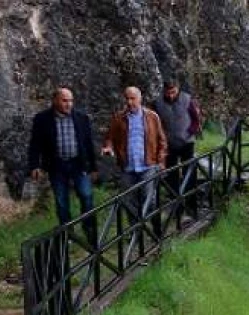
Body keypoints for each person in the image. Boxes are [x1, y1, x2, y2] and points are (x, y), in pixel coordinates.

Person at [27, 87, 98, 246]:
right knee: (61, 202)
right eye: (65, 100)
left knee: (86, 197)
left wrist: (93, 167)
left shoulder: (81, 118)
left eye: (71, 100)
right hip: (57, 166)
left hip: (79, 164)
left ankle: (90, 231)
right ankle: (68, 234)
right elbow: (35, 144)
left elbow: (88, 144)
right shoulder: (42, 119)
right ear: (55, 101)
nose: (68, 104)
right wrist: (34, 165)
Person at [102, 86, 167, 235]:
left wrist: (161, 161)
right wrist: (108, 147)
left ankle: (157, 230)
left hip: (148, 165)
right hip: (128, 167)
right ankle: (135, 233)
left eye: (133, 98)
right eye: (127, 99)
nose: (130, 102)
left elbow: (162, 140)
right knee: (129, 201)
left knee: (149, 200)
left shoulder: (152, 117)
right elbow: (110, 138)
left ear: (140, 98)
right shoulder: (118, 118)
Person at [152, 79, 202, 219]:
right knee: (171, 178)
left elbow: (196, 119)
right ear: (164, 91)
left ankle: (192, 207)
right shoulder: (158, 103)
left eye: (173, 92)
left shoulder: (187, 99)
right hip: (169, 145)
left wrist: (189, 132)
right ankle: (177, 209)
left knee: (189, 174)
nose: (171, 95)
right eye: (168, 92)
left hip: (187, 143)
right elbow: (155, 123)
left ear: (178, 89)